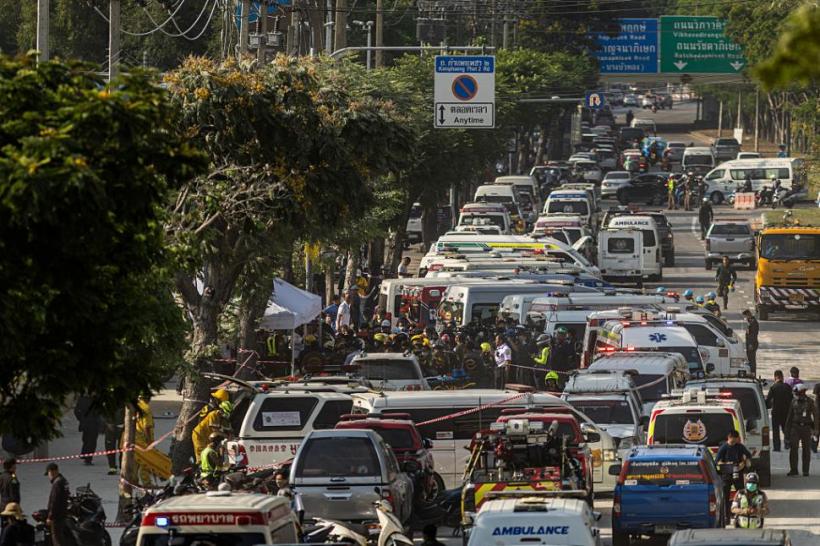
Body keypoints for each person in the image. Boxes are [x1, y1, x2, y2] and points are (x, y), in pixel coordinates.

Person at [785, 383, 818, 477]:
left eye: (798, 393)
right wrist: (787, 431)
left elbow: (815, 416)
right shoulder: (793, 401)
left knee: (806, 450)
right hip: (795, 428)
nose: (797, 395)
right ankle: (794, 470)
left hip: (806, 428)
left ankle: (805, 470)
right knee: (794, 449)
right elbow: (789, 416)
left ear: (803, 392)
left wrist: (816, 429)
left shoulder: (810, 402)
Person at [192, 396, 233, 463]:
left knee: (209, 453)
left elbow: (229, 429)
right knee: (202, 455)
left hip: (207, 436)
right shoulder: (213, 414)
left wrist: (231, 434)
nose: (226, 415)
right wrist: (227, 436)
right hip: (199, 434)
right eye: (225, 412)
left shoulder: (223, 418)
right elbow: (215, 430)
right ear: (221, 410)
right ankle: (200, 469)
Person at [766, 370, 793, 452]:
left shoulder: (773, 387)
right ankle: (788, 443)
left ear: (775, 377)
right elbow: (792, 399)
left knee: (775, 431)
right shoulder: (788, 387)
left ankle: (777, 447)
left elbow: (768, 400)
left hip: (776, 412)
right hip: (786, 412)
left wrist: (768, 406)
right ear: (782, 377)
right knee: (786, 428)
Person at [45, 463, 70, 546]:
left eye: (48, 473)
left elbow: (54, 501)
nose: (49, 476)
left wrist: (50, 517)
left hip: (57, 516)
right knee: (60, 537)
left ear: (52, 472)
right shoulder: (64, 481)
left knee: (57, 539)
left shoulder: (57, 483)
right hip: (63, 513)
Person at [73, 395, 102, 466]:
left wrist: (81, 419)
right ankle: (88, 458)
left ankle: (85, 454)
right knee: (91, 442)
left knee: (86, 439)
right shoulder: (97, 400)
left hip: (85, 423)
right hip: (94, 424)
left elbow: (76, 411)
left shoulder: (82, 399)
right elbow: (100, 413)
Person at [103, 407, 125, 475]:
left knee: (123, 448)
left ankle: (123, 468)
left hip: (122, 428)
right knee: (110, 448)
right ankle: (112, 467)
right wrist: (107, 423)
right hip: (110, 428)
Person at [741, 309, 759, 374]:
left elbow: (753, 335)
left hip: (752, 344)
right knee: (750, 359)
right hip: (749, 343)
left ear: (748, 314)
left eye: (745, 316)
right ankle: (751, 372)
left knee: (752, 360)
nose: (745, 318)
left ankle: (753, 373)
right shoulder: (750, 321)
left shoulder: (753, 322)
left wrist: (751, 344)